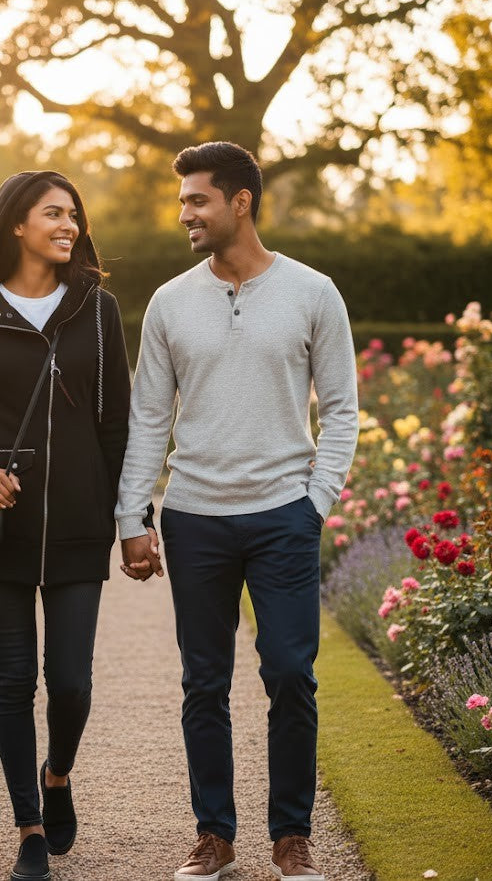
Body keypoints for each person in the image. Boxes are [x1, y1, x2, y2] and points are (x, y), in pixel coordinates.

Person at [115, 142, 359, 881]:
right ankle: (214, 837)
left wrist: (316, 502)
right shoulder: (169, 302)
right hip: (194, 517)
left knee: (290, 672)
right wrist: (135, 517)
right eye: (184, 199)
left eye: (198, 200)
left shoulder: (314, 293)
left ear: (241, 202)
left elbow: (342, 410)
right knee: (204, 681)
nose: (184, 212)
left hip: (285, 514)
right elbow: (149, 418)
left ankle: (292, 837)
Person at [0, 170, 154, 881]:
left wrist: (132, 518)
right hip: (3, 525)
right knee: (14, 679)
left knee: (73, 683)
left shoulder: (98, 311)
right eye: (53, 213)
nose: (69, 226)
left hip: (81, 520)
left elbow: (117, 422)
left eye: (74, 215)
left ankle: (59, 776)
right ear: (15, 225)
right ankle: (28, 826)